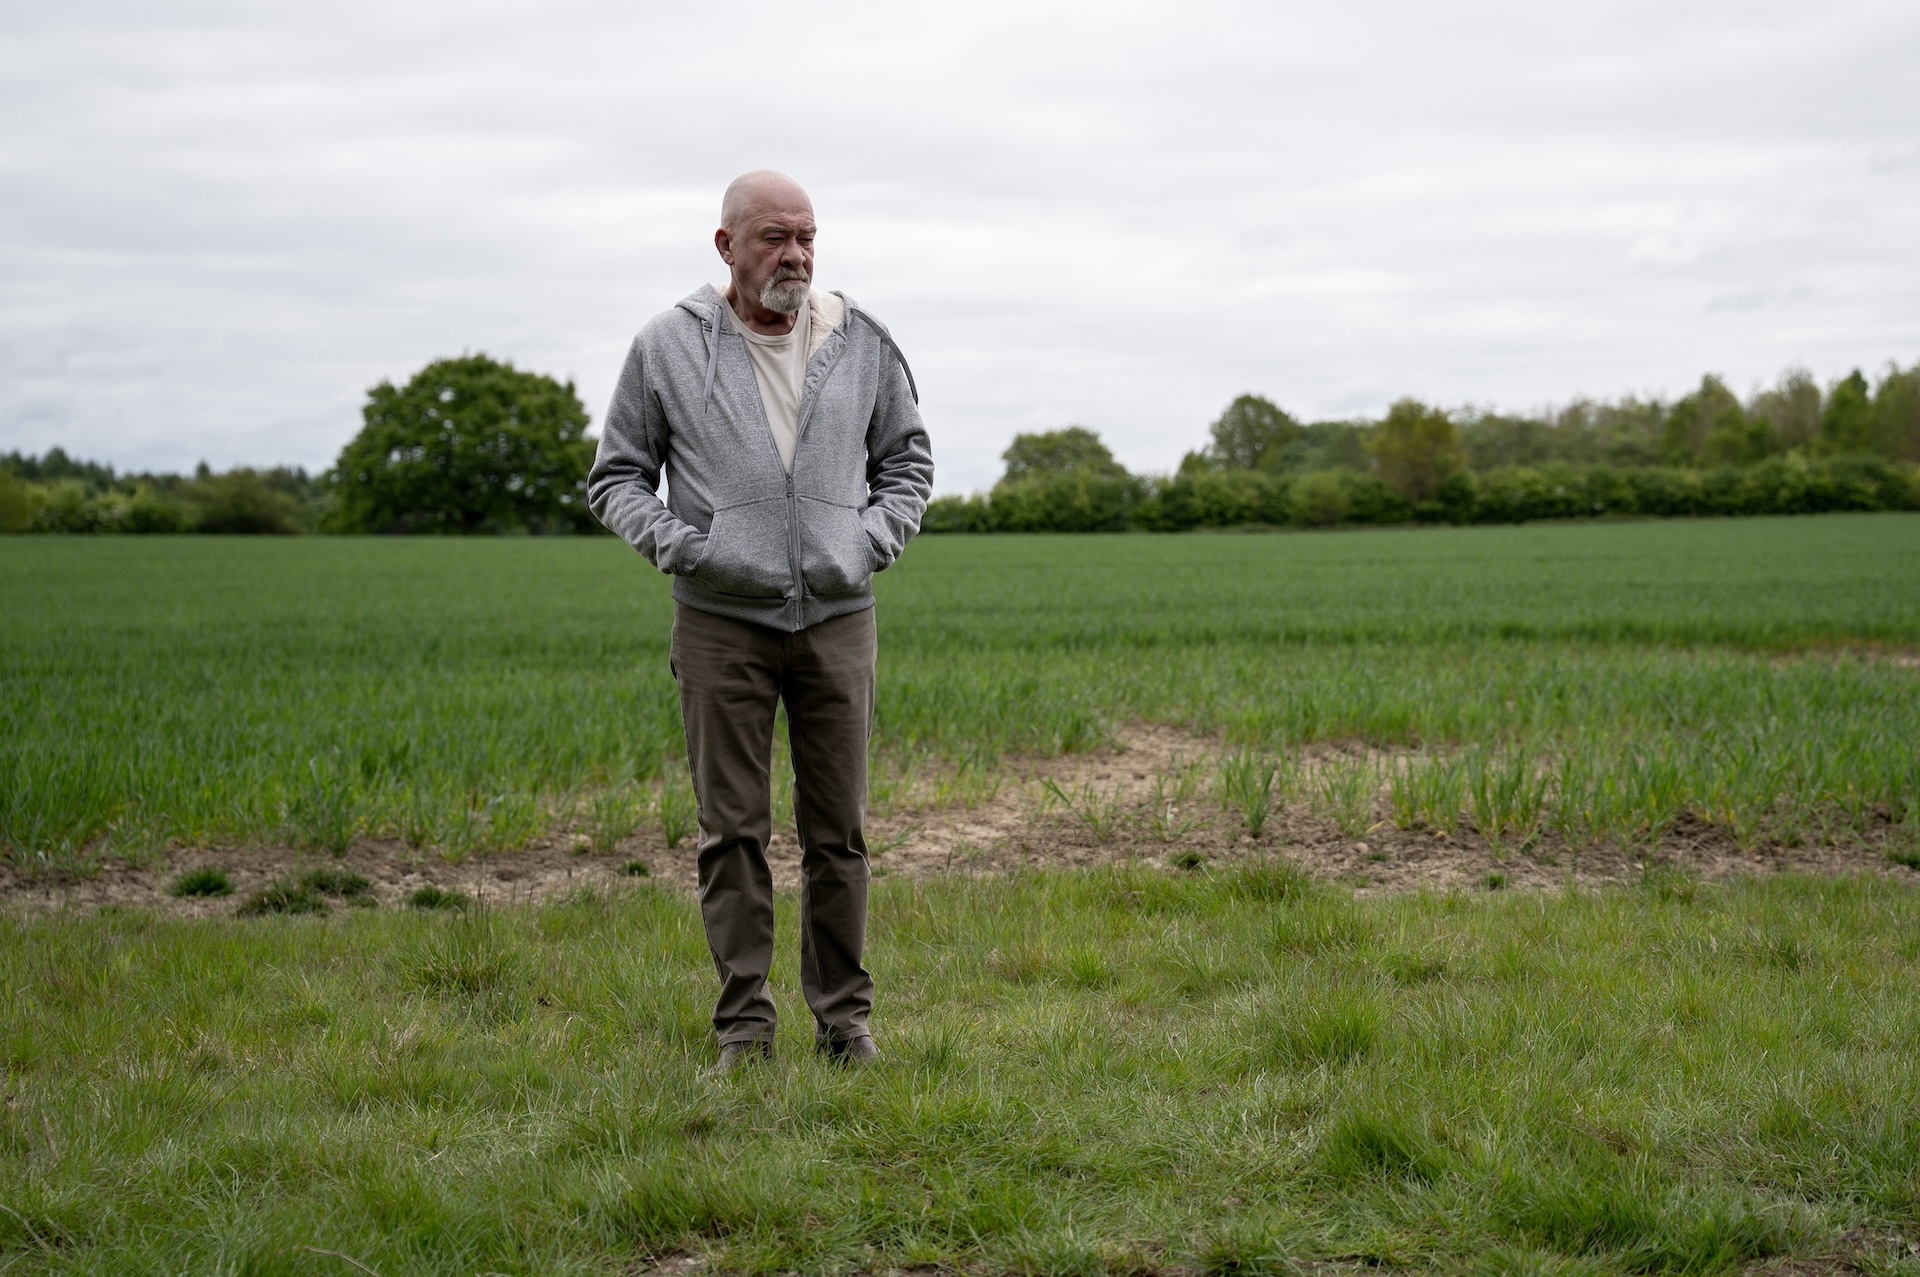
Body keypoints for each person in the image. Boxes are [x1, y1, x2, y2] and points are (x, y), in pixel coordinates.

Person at [588, 171, 933, 1074]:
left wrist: (866, 543)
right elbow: (616, 476)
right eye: (776, 237)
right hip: (719, 623)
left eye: (808, 236)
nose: (797, 255)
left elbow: (907, 462)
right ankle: (744, 1027)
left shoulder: (862, 340)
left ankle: (845, 1023)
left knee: (840, 832)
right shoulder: (666, 346)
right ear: (726, 245)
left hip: (837, 616)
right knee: (732, 832)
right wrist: (688, 550)